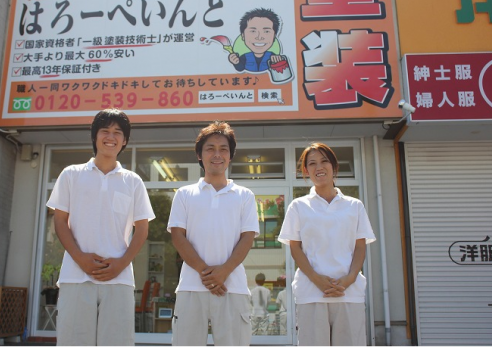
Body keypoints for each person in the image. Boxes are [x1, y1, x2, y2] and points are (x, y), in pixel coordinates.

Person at [46, 108, 155, 346]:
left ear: (124, 140)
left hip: (119, 278)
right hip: (76, 275)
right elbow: (60, 221)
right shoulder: (71, 175)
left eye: (118, 132)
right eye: (105, 131)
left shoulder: (133, 181)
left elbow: (142, 229)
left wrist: (122, 263)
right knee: (73, 341)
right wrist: (80, 258)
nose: (111, 137)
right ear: (94, 136)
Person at [167, 121, 259, 346]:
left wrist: (224, 272)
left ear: (230, 156)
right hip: (191, 286)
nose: (217, 154)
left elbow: (247, 238)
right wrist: (207, 274)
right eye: (210, 148)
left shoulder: (245, 195)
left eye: (223, 149)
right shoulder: (184, 194)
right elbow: (178, 236)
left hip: (232, 287)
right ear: (199, 155)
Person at [278, 142, 376, 346]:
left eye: (324, 161)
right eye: (312, 163)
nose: (319, 167)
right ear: (306, 171)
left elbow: (360, 246)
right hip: (311, 292)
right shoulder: (298, 206)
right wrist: (316, 279)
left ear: (334, 166)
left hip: (348, 292)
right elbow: (295, 248)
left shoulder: (354, 206)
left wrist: (349, 279)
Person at [229, 8, 284, 73]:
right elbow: (240, 69)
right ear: (243, 36)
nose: (259, 37)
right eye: (253, 31)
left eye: (266, 31)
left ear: (274, 36)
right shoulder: (244, 57)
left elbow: (280, 73)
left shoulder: (272, 56)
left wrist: (278, 62)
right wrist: (235, 62)